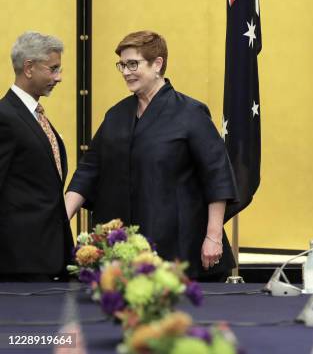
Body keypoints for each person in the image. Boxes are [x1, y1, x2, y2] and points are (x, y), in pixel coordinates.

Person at [65, 31, 237, 281]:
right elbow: (88, 171)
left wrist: (213, 237)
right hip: (123, 253)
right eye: (122, 65)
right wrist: (60, 221)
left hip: (180, 250)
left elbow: (217, 176)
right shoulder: (116, 115)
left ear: (157, 64)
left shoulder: (190, 113)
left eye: (133, 64)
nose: (125, 71)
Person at [0, 31, 73, 281]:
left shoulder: (33, 115)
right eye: (53, 69)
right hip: (20, 263)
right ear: (29, 68)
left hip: (49, 257)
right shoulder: (5, 117)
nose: (59, 77)